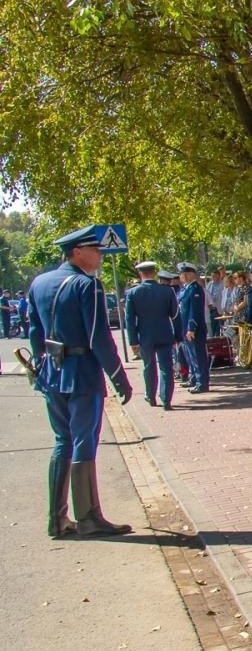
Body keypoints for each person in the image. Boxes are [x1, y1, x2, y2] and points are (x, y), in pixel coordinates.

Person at [26, 227, 135, 538]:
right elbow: (99, 337)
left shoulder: (39, 283)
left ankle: (56, 519)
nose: (100, 255)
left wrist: (39, 365)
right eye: (94, 249)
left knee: (62, 441)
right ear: (76, 251)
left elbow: (35, 333)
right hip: (82, 373)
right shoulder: (87, 285)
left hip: (52, 372)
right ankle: (88, 517)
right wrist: (119, 377)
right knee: (83, 443)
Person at [125, 259, 180, 409]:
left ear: (140, 274)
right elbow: (175, 315)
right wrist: (178, 336)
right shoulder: (167, 291)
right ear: (154, 273)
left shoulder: (133, 292)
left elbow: (130, 320)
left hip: (145, 337)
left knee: (149, 367)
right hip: (165, 335)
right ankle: (166, 399)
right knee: (166, 368)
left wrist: (133, 341)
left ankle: (150, 396)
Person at [177, 262, 211, 393]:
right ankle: (195, 378)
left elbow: (195, 311)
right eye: (182, 273)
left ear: (192, 274)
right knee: (191, 356)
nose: (183, 276)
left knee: (198, 356)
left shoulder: (195, 289)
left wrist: (191, 328)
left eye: (186, 273)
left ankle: (202, 382)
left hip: (194, 329)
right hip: (185, 328)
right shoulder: (186, 289)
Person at [205, 268, 228, 337]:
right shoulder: (209, 284)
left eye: (214, 276)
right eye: (212, 276)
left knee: (219, 329)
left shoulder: (223, 284)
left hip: (219, 310)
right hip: (211, 310)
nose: (213, 277)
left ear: (218, 276)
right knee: (211, 328)